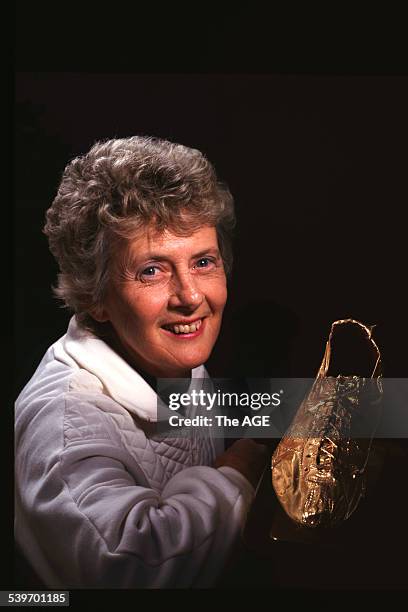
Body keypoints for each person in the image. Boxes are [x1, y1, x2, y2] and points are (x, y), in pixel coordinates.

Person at [15, 135, 268, 589]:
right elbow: (131, 565)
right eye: (152, 270)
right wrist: (241, 469)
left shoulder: (169, 355)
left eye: (204, 262)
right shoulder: (65, 423)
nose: (191, 297)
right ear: (95, 296)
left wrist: (368, 411)